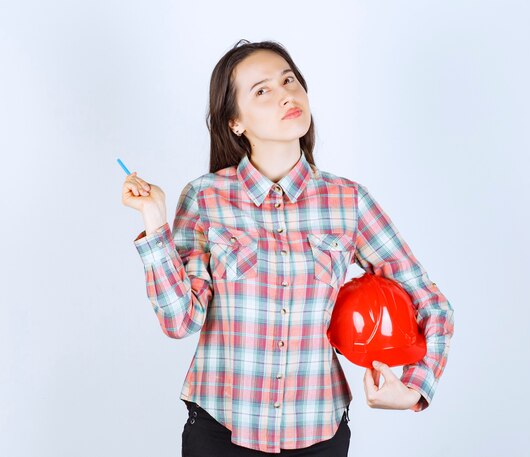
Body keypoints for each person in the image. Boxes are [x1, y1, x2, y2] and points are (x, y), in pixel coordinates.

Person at [121, 39, 454, 456]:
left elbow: (431, 302)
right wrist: (154, 222)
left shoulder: (348, 201)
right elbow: (180, 321)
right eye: (262, 91)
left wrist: (415, 389)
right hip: (220, 432)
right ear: (235, 122)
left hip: (319, 434)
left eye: (289, 80)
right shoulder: (205, 198)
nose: (286, 95)